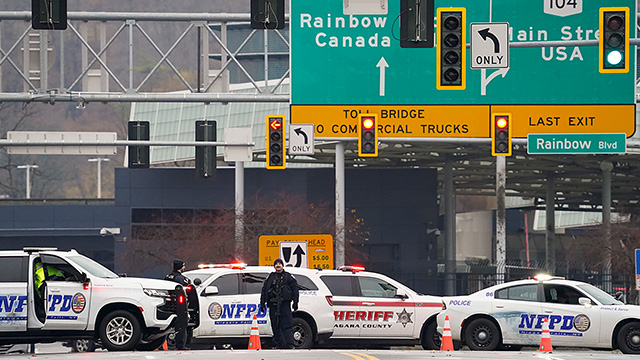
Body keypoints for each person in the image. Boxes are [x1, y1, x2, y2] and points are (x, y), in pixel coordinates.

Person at [260, 258, 299, 349]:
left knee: (286, 325)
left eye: (279, 264)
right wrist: (262, 303)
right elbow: (264, 290)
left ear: (282, 265)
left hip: (284, 304)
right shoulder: (270, 277)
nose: (278, 265)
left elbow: (295, 289)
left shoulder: (288, 277)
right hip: (273, 304)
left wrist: (295, 301)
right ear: (274, 266)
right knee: (275, 325)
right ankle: (279, 344)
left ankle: (290, 344)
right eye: (276, 264)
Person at [165, 259, 191, 350]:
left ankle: (163, 345)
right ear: (180, 267)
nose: (184, 267)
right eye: (183, 266)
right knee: (181, 325)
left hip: (168, 304)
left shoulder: (168, 276)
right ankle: (180, 345)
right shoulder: (180, 278)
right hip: (180, 304)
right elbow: (185, 288)